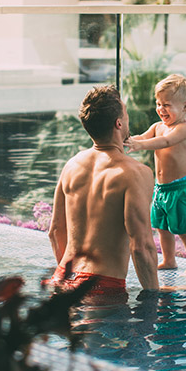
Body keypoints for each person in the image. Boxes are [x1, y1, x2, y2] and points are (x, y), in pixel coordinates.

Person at [45, 85, 159, 297]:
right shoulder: (135, 173)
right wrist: (154, 300)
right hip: (102, 289)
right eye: (125, 114)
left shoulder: (71, 165)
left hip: (61, 279)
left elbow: (55, 231)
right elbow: (141, 246)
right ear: (118, 123)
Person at [125, 74, 186, 277]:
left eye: (167, 105)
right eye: (158, 104)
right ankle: (169, 260)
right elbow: (143, 137)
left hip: (180, 189)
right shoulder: (157, 126)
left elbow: (165, 142)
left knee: (185, 229)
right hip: (161, 188)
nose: (161, 109)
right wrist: (128, 140)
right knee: (163, 227)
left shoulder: (184, 129)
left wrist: (140, 145)